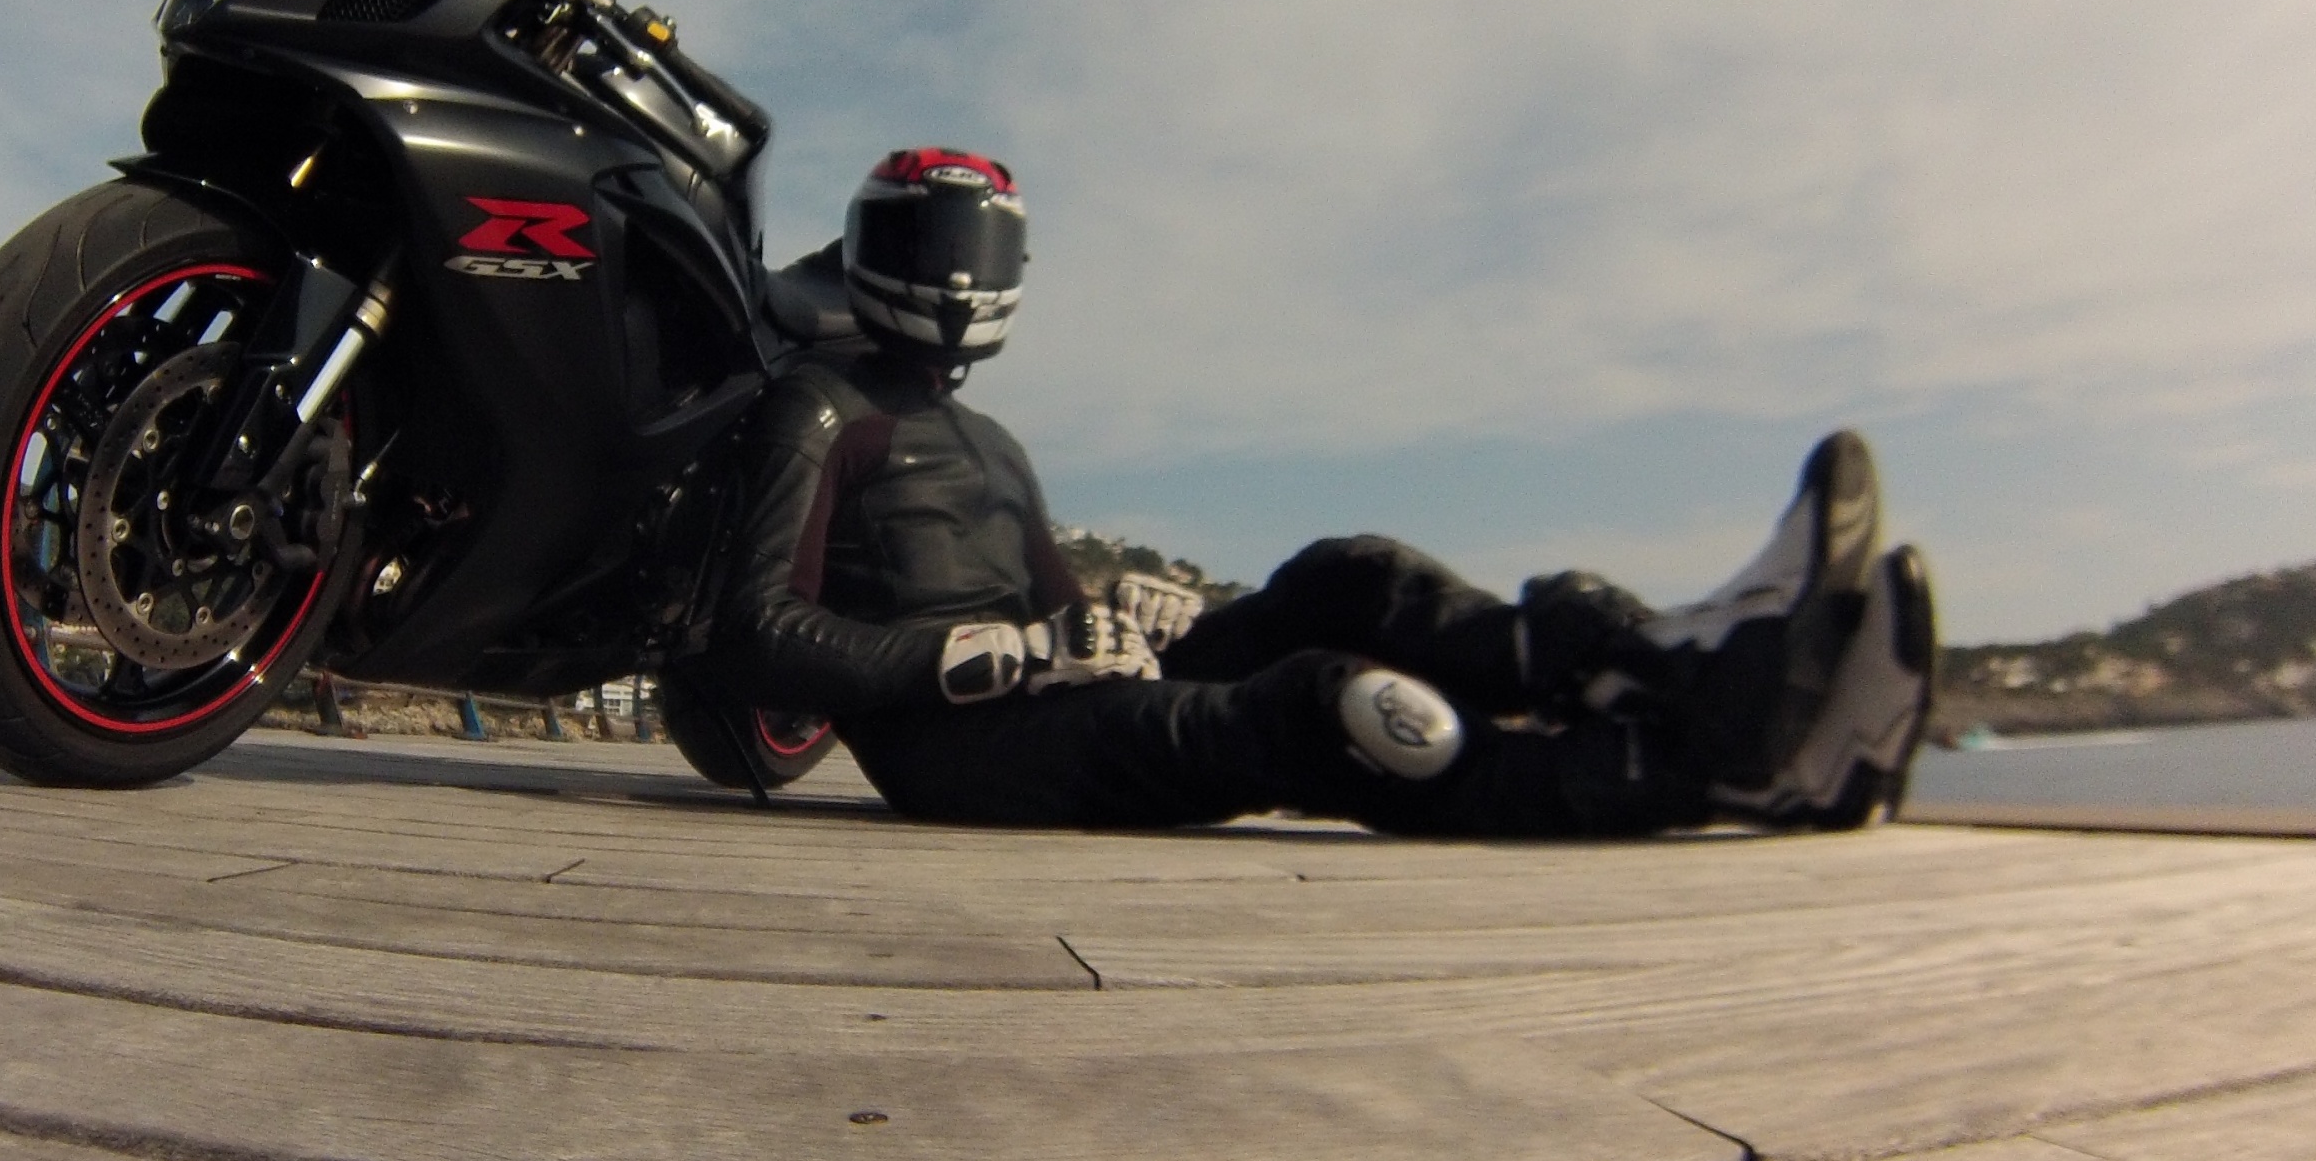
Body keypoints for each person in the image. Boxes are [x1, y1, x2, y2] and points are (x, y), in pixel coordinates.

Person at [707, 147, 1935, 837]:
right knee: (1317, 707)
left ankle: (1671, 662)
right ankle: (1700, 774)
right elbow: (754, 635)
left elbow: (1062, 620)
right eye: (927, 248)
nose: (955, 280)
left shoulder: (993, 442)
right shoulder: (818, 404)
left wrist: (1121, 623)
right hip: (961, 752)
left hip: (1044, 697)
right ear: (867, 250)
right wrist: (999, 656)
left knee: (1348, 575)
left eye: (976, 252)